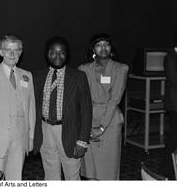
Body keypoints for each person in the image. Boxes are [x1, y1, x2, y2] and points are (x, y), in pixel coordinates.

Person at [0, 34, 36, 180]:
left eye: (16, 50)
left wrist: (30, 138)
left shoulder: (26, 76)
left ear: (21, 52)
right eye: (8, 50)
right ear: (0, 52)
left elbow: (31, 109)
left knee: (15, 180)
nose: (12, 54)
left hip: (20, 140)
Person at [33, 37, 92, 180]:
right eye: (53, 52)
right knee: (50, 173)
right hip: (45, 129)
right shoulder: (37, 76)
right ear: (47, 54)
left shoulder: (78, 77)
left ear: (67, 55)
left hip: (69, 130)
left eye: (62, 52)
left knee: (72, 173)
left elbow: (86, 110)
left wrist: (82, 140)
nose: (57, 56)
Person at [78, 33, 128, 180]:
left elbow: (115, 99)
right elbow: (80, 98)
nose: (103, 48)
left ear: (111, 48)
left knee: (108, 170)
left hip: (110, 121)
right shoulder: (83, 69)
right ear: (93, 49)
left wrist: (101, 127)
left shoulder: (121, 68)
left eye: (106, 44)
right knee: (90, 169)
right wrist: (84, 126)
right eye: (99, 45)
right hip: (88, 120)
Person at [163, 45, 177, 179]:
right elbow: (174, 81)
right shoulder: (171, 57)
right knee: (173, 139)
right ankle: (168, 171)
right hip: (175, 105)